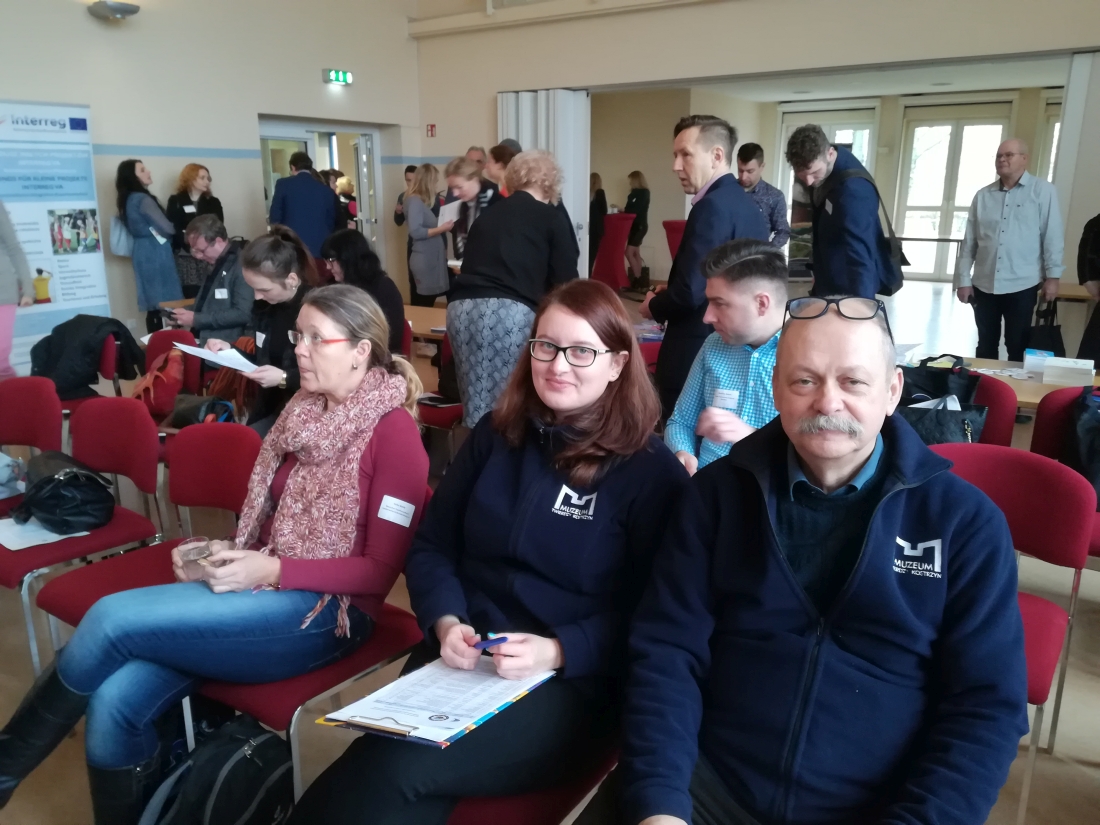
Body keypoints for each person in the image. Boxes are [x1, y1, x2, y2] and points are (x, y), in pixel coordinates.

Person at [586, 296, 1028, 825]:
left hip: (880, 808)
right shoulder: (715, 497)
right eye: (804, 381)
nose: (827, 402)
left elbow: (985, 708)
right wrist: (660, 804)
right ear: (776, 388)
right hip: (704, 786)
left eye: (853, 382)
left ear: (892, 392)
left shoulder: (964, 524)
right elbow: (667, 653)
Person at [0, 283, 428, 825]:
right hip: (270, 583)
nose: (298, 349)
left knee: (110, 619)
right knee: (115, 702)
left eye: (315, 338)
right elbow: (274, 522)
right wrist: (223, 550)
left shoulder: (394, 435)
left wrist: (273, 568)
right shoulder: (305, 410)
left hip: (330, 614)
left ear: (360, 351)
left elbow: (378, 573)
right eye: (298, 335)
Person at [290, 278, 689, 825]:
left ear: (618, 364)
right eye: (545, 346)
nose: (558, 365)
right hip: (462, 658)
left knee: (395, 770)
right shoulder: (495, 436)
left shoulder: (650, 474)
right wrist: (445, 620)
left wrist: (560, 650)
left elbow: (659, 618)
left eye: (581, 351)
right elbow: (432, 546)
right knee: (382, 766)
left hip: (573, 684)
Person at [639, 115, 770, 420]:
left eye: (685, 154)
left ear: (716, 156)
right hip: (737, 343)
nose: (676, 166)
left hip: (698, 345)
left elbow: (690, 292)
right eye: (675, 155)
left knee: (682, 431)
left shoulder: (711, 207)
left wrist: (653, 306)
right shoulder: (745, 204)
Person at [448, 151, 579, 428]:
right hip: (508, 312)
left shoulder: (487, 216)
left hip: (462, 311)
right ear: (550, 183)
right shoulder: (550, 217)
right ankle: (508, 453)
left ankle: (474, 451)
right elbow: (566, 282)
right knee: (513, 403)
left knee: (476, 404)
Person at [665, 239, 785, 476]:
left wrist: (752, 437)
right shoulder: (714, 345)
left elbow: (818, 454)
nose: (707, 317)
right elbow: (680, 422)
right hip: (706, 484)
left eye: (719, 304)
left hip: (768, 491)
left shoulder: (806, 356)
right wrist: (683, 453)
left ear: (761, 304)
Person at [955, 138, 1065, 362]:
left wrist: (1053, 277)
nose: (1002, 159)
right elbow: (970, 242)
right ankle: (985, 382)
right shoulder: (983, 196)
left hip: (1022, 283)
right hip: (984, 284)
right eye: (999, 156)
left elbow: (1051, 236)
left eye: (1008, 155)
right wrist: (963, 280)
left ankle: (1014, 384)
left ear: (1024, 159)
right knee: (985, 343)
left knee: (1017, 343)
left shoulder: (1042, 191)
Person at [205, 226, 314, 436]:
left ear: (291, 280)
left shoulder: (317, 310)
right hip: (270, 405)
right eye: (252, 289)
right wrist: (229, 351)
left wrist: (284, 378)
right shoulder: (265, 308)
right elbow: (262, 362)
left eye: (264, 289)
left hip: (306, 410)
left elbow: (330, 375)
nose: (256, 297)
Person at [785, 124, 895, 299]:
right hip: (827, 276)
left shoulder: (853, 191)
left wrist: (863, 307)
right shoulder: (827, 165)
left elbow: (860, 255)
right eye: (801, 175)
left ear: (830, 154)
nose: (808, 182)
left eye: (814, 172)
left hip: (847, 287)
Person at [116, 159, 182, 333]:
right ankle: (171, 342)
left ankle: (154, 341)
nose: (148, 172)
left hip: (141, 251)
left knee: (152, 303)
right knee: (166, 300)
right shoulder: (142, 199)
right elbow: (167, 228)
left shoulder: (126, 200)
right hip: (156, 251)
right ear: (132, 176)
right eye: (142, 170)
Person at [169, 215, 252, 344]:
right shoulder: (214, 261)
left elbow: (242, 313)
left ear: (218, 241)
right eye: (194, 251)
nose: (198, 256)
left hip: (226, 345)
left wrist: (196, 319)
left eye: (201, 250)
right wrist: (184, 313)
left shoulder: (241, 265)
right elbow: (208, 302)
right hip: (203, 340)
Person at [321, 229, 405, 354]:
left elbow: (389, 339)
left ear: (348, 258)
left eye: (331, 260)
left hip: (374, 356)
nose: (328, 267)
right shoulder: (333, 286)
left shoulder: (383, 288)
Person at [165, 163, 225, 299]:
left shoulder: (213, 202)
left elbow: (218, 227)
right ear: (190, 179)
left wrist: (203, 247)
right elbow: (174, 228)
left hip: (209, 254)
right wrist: (191, 247)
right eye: (202, 178)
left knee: (211, 291)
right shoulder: (176, 201)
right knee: (190, 294)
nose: (207, 181)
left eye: (208, 178)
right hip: (185, 255)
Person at [268, 151, 340, 257]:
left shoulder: (283, 184)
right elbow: (330, 221)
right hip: (319, 247)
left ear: (292, 167)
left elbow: (275, 216)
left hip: (292, 246)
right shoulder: (326, 190)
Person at [406, 164, 452, 306]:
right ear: (428, 181)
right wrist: (441, 228)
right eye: (435, 181)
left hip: (431, 259)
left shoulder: (421, 201)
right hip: (425, 260)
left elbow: (426, 224)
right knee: (423, 304)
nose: (436, 185)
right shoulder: (414, 201)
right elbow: (415, 231)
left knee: (428, 301)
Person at [0, 199, 34, 381]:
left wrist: (27, 289)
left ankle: (17, 396)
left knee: (0, 363)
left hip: (2, 293)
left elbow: (14, 248)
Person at [444, 157, 502, 261]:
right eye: (452, 188)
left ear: (475, 179)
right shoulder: (464, 205)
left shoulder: (495, 202)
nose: (455, 193)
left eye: (459, 187)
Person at [737, 143, 790, 249]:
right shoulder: (727, 192)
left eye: (750, 171)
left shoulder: (775, 196)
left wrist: (767, 252)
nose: (743, 177)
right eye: (740, 170)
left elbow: (783, 232)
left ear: (762, 167)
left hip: (758, 255)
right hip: (728, 255)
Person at [623, 171, 651, 288]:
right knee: (635, 253)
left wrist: (625, 210)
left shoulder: (644, 192)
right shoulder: (633, 193)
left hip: (639, 226)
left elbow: (635, 209)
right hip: (635, 226)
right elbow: (628, 208)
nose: (630, 183)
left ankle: (637, 279)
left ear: (636, 180)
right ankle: (639, 280)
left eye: (631, 180)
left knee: (628, 253)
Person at [589, 173, 608, 274]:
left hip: (588, 226)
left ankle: (585, 276)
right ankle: (588, 276)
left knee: (586, 255)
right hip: (597, 228)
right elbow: (604, 210)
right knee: (592, 256)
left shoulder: (585, 192)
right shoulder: (600, 192)